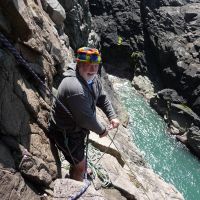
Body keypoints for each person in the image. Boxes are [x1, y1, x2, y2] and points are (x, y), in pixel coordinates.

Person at [48, 47, 120, 181]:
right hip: (65, 132)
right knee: (80, 166)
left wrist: (112, 116)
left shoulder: (93, 78)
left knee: (79, 161)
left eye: (95, 66)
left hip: (77, 130)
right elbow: (85, 118)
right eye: (88, 65)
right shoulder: (74, 87)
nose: (92, 70)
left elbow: (102, 97)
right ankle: (77, 183)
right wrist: (102, 130)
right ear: (79, 64)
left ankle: (77, 168)